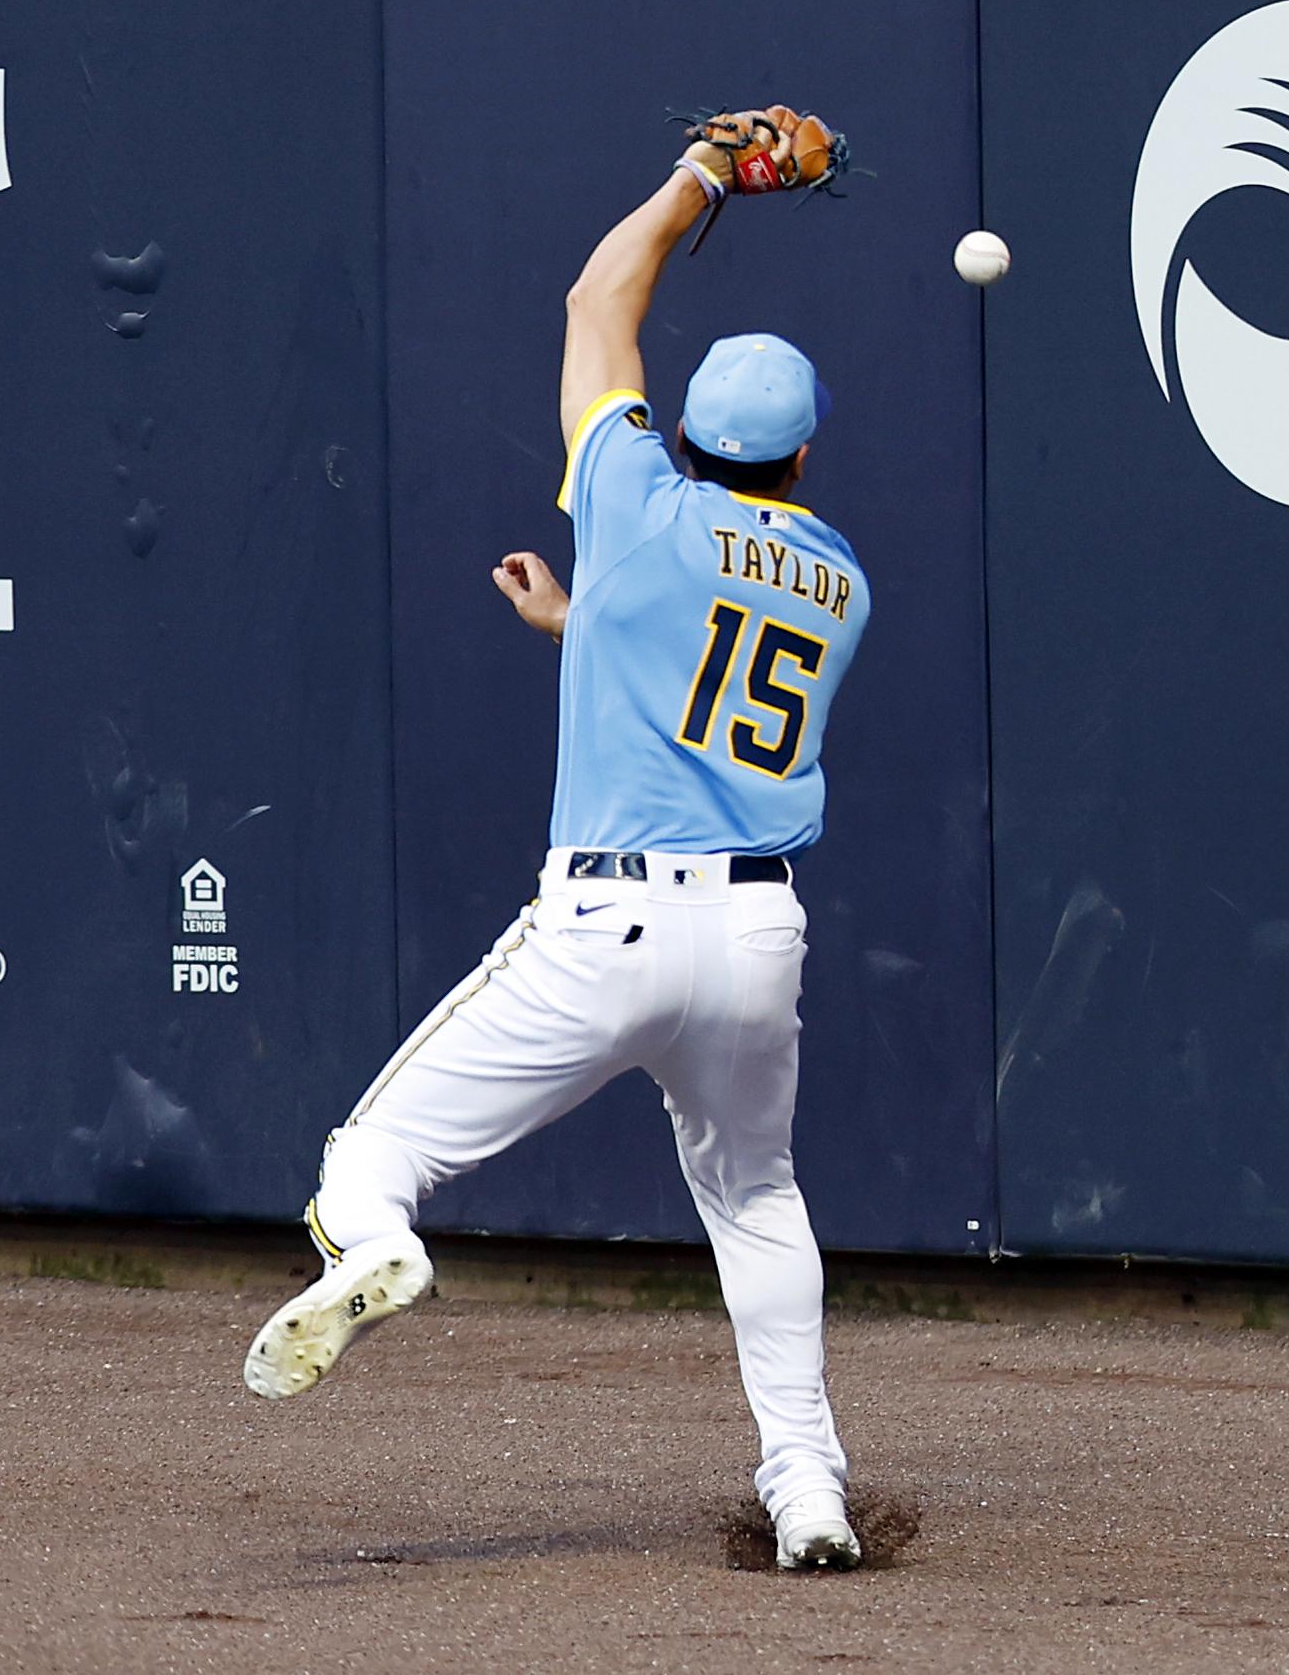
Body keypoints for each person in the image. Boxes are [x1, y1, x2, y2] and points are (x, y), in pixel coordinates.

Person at [243, 111, 873, 1572]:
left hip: (613, 927)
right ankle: (810, 1490)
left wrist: (702, 179)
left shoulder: (638, 503)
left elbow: (602, 302)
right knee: (758, 1197)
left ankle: (380, 1243)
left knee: (367, 1163)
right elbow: (703, 687)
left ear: (695, 439)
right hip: (759, 937)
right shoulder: (837, 579)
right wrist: (579, 632)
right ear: (800, 454)